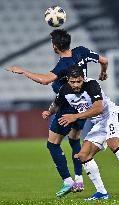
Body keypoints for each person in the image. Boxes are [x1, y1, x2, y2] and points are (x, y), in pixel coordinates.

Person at [6, 29, 108, 196]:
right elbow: (104, 60)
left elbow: (45, 80)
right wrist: (103, 72)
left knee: (52, 144)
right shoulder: (81, 51)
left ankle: (67, 181)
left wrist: (24, 71)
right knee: (74, 139)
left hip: (68, 105)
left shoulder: (63, 65)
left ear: (55, 47)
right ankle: (79, 179)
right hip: (83, 104)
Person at [53, 65, 119, 200]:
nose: (76, 84)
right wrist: (49, 112)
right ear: (68, 80)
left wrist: (75, 116)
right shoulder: (64, 90)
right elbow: (56, 103)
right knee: (83, 155)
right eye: (72, 82)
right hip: (99, 123)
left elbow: (98, 108)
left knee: (113, 143)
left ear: (83, 79)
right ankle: (102, 192)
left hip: (112, 116)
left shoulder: (91, 85)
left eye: (79, 81)